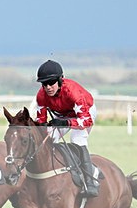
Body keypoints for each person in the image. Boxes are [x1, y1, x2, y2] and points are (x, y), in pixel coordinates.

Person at [34, 59, 100, 197]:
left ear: (60, 80)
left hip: (84, 113)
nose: (48, 87)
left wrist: (65, 123)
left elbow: (86, 120)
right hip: (62, 115)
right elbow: (40, 121)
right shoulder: (41, 95)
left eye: (51, 82)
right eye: (44, 84)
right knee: (50, 136)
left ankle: (90, 180)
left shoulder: (73, 92)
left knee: (77, 138)